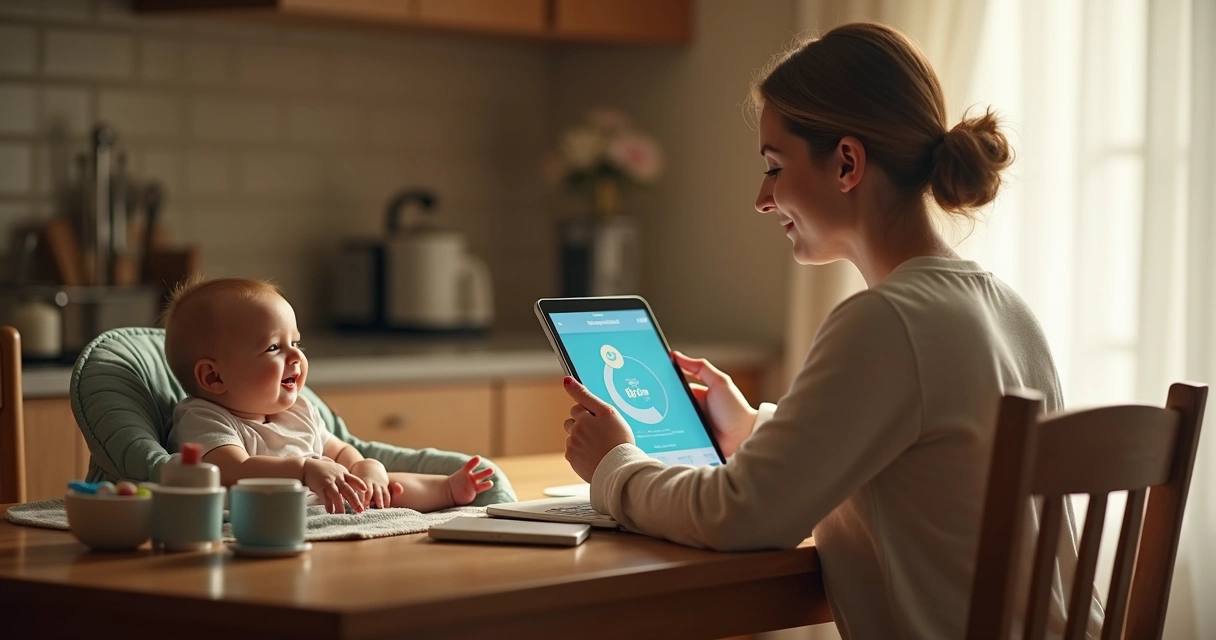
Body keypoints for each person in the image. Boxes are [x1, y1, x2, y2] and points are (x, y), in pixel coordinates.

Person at [558, 22, 1103, 639]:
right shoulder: (1006, 308)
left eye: (773, 166)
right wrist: (755, 430)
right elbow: (924, 462)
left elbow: (739, 519)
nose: (762, 200)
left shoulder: (889, 321)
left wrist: (614, 466)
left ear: (846, 163)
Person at [162, 276, 494, 514]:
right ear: (213, 376)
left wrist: (365, 466)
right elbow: (234, 468)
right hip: (274, 515)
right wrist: (304, 469)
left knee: (386, 483)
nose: (295, 357)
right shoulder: (203, 417)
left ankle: (448, 490)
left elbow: (337, 448)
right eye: (274, 347)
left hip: (332, 500)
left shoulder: (300, 411)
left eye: (296, 343)